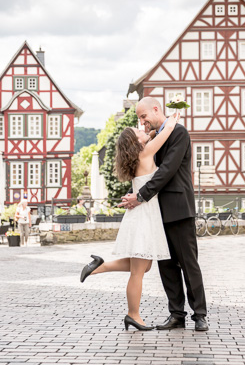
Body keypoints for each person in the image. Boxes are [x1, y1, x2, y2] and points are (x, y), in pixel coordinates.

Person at [79, 109, 180, 331]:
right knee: (138, 271)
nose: (143, 128)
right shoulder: (145, 153)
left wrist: (143, 128)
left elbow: (152, 134)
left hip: (142, 215)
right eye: (138, 130)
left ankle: (99, 267)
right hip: (143, 217)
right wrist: (174, 115)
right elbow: (168, 129)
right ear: (136, 142)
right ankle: (133, 314)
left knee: (145, 267)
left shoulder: (140, 153)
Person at [122, 97, 208, 332]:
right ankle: (176, 314)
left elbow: (168, 170)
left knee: (189, 264)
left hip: (179, 209)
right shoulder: (152, 140)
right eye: (139, 118)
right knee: (167, 267)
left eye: (143, 116)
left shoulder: (178, 132)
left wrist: (140, 196)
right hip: (157, 212)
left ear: (156, 109)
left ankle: (200, 314)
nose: (142, 122)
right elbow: (147, 171)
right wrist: (136, 193)